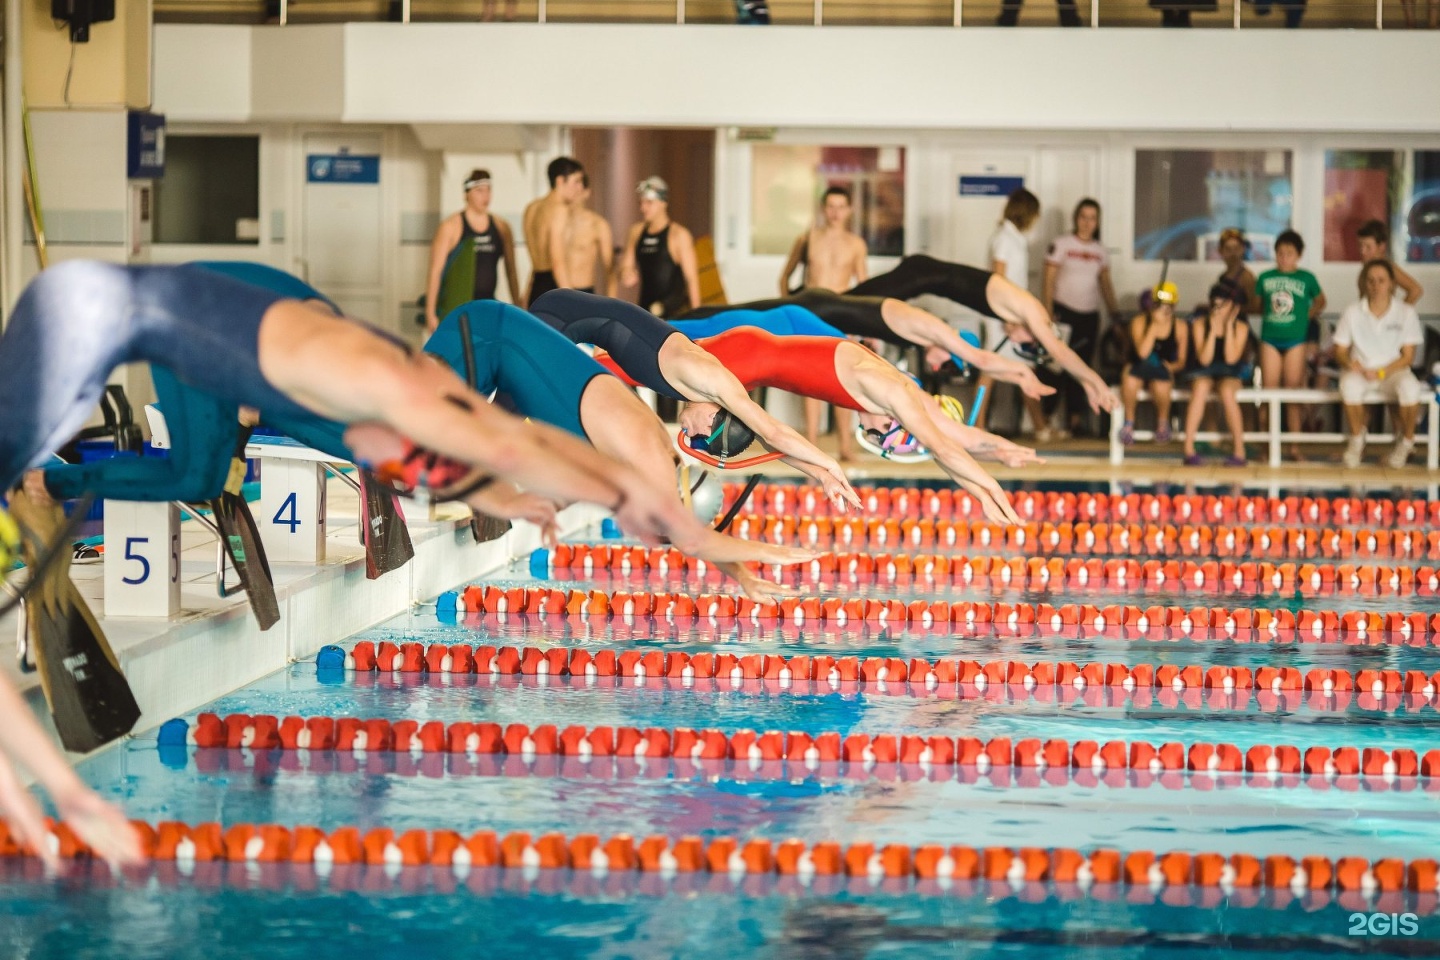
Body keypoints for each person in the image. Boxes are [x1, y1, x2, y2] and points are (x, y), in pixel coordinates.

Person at [0, 261, 738, 554]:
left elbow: (490, 454)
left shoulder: (398, 414)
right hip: (155, 320)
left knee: (197, 476)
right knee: (197, 466)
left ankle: (52, 481)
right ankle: (35, 473)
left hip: (236, 334)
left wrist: (521, 502)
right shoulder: (383, 399)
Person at [426, 299, 821, 600]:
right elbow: (694, 541)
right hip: (486, 334)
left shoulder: (638, 466)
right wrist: (771, 552)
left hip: (495, 351)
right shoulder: (648, 453)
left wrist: (743, 575)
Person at [530, 289, 860, 512]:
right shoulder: (712, 380)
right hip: (562, 315)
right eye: (700, 437)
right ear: (713, 420)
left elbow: (769, 442)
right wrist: (830, 463)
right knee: (517, 410)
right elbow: (773, 431)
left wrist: (819, 474)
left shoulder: (706, 390)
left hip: (569, 319)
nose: (689, 434)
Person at [847, 254, 1116, 418]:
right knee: (849, 303)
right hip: (922, 275)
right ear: (1039, 336)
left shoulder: (1021, 313)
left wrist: (1022, 376)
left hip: (924, 277)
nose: (1013, 339)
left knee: (850, 306)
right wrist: (1095, 383)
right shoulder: (1035, 313)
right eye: (1024, 344)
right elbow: (1060, 352)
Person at [673, 293, 1054, 404]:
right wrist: (1021, 373)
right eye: (946, 365)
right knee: (707, 327)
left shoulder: (925, 337)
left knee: (710, 324)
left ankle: (648, 327)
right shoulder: (936, 329)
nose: (937, 367)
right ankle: (639, 326)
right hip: (803, 314)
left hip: (810, 317)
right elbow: (983, 358)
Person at [778, 186, 870, 460]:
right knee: (811, 380)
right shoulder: (807, 238)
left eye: (841, 206)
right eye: (831, 206)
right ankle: (812, 443)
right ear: (823, 208)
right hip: (811, 312)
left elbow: (863, 286)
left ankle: (845, 445)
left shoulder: (856, 244)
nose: (836, 212)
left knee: (844, 381)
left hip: (842, 312)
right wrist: (789, 309)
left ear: (849, 210)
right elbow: (785, 277)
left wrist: (865, 323)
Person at [1334, 260, 1426, 469]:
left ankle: (1406, 442)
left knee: (1411, 388)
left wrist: (1383, 372)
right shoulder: (1352, 312)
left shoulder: (1406, 312)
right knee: (1348, 386)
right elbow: (1339, 350)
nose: (1376, 286)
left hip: (1393, 371)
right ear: (1365, 284)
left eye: (1381, 281)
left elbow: (1407, 357)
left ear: (1392, 284)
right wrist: (1350, 363)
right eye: (1371, 281)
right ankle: (1357, 440)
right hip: (1362, 371)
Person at [1043, 199, 1121, 437]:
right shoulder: (1061, 244)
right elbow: (1048, 281)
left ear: (1097, 222)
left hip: (1089, 316)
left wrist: (1115, 316)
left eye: (1092, 218)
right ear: (1076, 218)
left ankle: (1075, 421)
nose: (1087, 222)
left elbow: (1106, 285)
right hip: (1063, 313)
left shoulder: (1100, 251)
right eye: (1083, 217)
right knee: (1054, 368)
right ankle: (1046, 420)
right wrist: (1046, 315)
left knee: (1082, 369)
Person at [1256, 229, 1326, 460]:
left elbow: (1321, 300)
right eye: (1280, 253)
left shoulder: (1306, 278)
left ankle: (1294, 447)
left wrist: (1307, 315)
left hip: (1296, 340)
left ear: (1298, 255)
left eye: (1289, 253)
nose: (1284, 257)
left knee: (1292, 393)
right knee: (1268, 393)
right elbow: (1258, 305)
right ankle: (1265, 446)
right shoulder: (1265, 278)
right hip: (1270, 339)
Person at [424, 169, 521, 332]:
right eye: (479, 191)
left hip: (487, 305)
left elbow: (511, 270)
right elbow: (435, 271)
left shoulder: (502, 227)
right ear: (466, 194)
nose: (486, 196)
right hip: (456, 306)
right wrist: (430, 312)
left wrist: (518, 306)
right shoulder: (451, 227)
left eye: (489, 190)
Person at [1181, 285, 1253, 467]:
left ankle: (1239, 451)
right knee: (1200, 388)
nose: (1218, 309)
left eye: (1223, 305)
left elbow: (1230, 359)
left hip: (1230, 371)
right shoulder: (1199, 324)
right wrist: (1212, 331)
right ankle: (1188, 449)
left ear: (1233, 307)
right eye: (1215, 304)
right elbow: (1204, 360)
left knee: (1226, 392)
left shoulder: (1241, 327)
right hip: (1204, 370)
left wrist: (1228, 327)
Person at [618, 177, 701, 319]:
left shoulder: (678, 235)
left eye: (649, 202)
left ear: (663, 203)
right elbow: (625, 267)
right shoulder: (636, 232)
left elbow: (692, 280)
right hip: (646, 311)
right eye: (641, 202)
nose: (643, 208)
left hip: (674, 315)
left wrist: (698, 319)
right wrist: (626, 273)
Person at [1118, 283, 1189, 446]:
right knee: (1130, 380)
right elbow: (1142, 354)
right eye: (1160, 305)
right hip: (1138, 366)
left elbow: (1181, 361)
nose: (1164, 310)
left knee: (1161, 385)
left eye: (1168, 306)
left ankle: (1163, 423)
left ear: (1174, 306)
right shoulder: (1138, 322)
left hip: (1161, 369)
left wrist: (1171, 367)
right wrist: (1154, 325)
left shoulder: (1180, 327)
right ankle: (1128, 423)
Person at [521, 156, 587, 306]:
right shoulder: (559, 210)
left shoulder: (531, 208)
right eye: (576, 181)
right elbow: (557, 263)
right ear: (559, 181)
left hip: (536, 287)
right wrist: (574, 302)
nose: (580, 188)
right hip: (553, 289)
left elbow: (536, 262)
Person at [565, 176, 616, 297]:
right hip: (557, 291)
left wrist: (613, 304)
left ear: (587, 192)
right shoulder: (558, 223)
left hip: (584, 291)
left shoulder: (598, 224)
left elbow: (610, 269)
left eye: (578, 190)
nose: (574, 194)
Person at [1357, 220, 1424, 305]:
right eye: (1360, 245)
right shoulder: (1367, 267)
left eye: (1368, 247)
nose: (1362, 251)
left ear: (1381, 246)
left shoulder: (1388, 268)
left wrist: (1399, 313)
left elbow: (1415, 290)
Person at [1213, 227, 1258, 311]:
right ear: (1220, 251)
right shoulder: (1223, 276)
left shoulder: (1247, 277)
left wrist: (1228, 308)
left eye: (1236, 248)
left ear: (1243, 249)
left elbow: (1255, 308)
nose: (1233, 253)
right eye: (1228, 249)